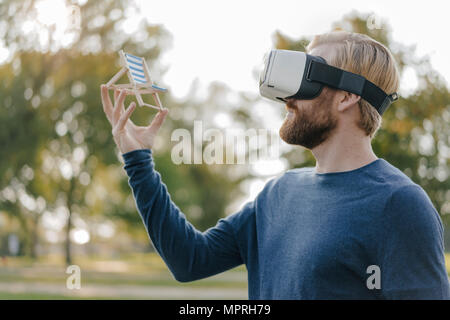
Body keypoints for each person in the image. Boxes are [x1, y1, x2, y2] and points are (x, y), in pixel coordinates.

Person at [100, 31, 450, 299]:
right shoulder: (277, 194)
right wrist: (138, 160)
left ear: (347, 96)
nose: (287, 97)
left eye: (307, 78)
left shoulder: (400, 206)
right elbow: (189, 260)